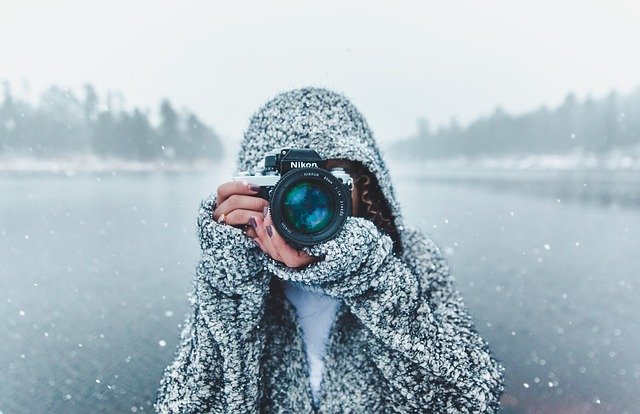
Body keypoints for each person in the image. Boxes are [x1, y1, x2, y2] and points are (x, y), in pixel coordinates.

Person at [154, 87, 505, 413]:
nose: (307, 200)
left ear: (365, 185)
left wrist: (370, 277)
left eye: (329, 180)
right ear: (254, 188)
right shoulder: (237, 273)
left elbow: (470, 400)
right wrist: (230, 283)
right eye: (286, 185)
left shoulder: (412, 259)